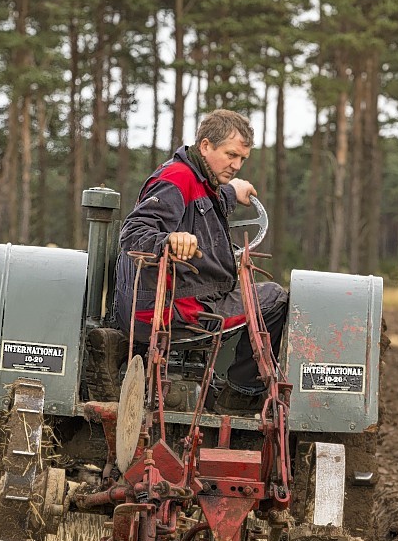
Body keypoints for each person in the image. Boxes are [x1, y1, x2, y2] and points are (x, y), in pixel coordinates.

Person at [113, 109, 288, 415]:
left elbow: (207, 202)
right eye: (231, 155)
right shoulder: (176, 179)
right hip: (179, 309)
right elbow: (133, 233)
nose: (236, 165)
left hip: (184, 298)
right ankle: (241, 393)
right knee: (274, 298)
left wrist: (233, 192)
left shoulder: (196, 177)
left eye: (242, 159)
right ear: (206, 146)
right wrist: (168, 241)